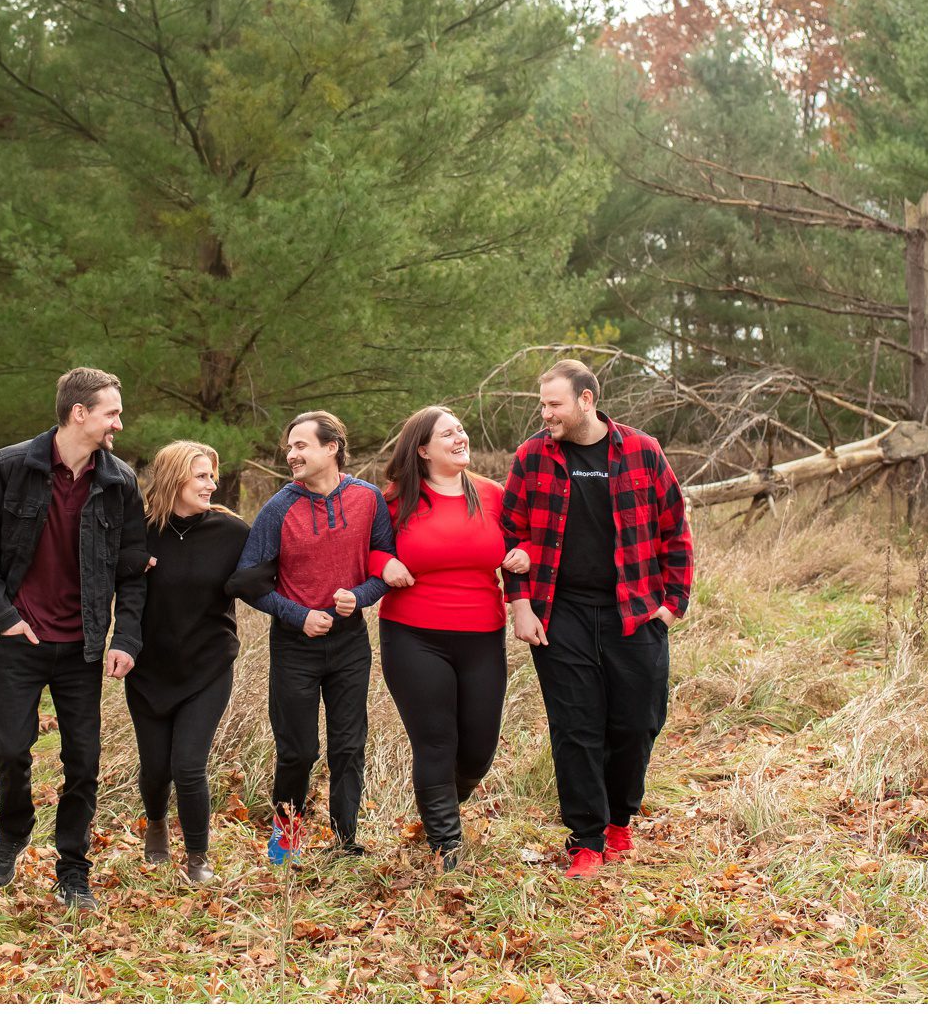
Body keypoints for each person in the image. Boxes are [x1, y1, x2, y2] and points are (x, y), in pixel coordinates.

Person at [0, 367, 149, 912]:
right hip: (22, 638)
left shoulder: (119, 482)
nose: (119, 422)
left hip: (84, 646)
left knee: (83, 761)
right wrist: (4, 617)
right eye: (112, 412)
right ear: (79, 414)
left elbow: (133, 571)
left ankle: (73, 866)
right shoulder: (12, 466)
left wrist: (126, 639)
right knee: (12, 747)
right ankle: (13, 833)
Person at [500, 359, 694, 880]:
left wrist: (672, 606)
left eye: (554, 404)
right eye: (542, 404)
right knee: (575, 726)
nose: (546, 415)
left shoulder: (641, 451)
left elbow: (675, 531)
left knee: (637, 723)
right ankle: (585, 838)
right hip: (560, 613)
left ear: (586, 400)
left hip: (634, 611)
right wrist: (520, 603)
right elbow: (510, 535)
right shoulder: (532, 458)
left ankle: (619, 818)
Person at [227, 410, 402, 862]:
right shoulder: (279, 508)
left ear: (332, 448)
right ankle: (285, 840)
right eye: (289, 447)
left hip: (349, 642)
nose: (291, 454)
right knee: (298, 749)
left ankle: (347, 841)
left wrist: (360, 596)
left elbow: (385, 563)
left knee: (349, 745)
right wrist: (296, 614)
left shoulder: (367, 499)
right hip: (294, 646)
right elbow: (246, 582)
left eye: (301, 445)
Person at [374, 405, 522, 873]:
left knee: (479, 746)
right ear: (422, 450)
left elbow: (527, 541)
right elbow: (366, 548)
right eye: (447, 434)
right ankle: (446, 847)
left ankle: (441, 805)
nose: (460, 437)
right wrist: (383, 564)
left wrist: (523, 554)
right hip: (414, 635)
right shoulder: (396, 500)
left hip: (482, 634)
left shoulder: (493, 496)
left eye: (461, 430)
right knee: (436, 742)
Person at [127, 440, 249, 885]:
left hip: (208, 665)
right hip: (149, 667)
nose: (211, 484)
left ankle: (198, 856)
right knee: (155, 766)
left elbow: (266, 574)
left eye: (212, 475)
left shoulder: (232, 533)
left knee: (188, 764)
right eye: (201, 475)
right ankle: (156, 825)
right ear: (174, 477)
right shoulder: (139, 531)